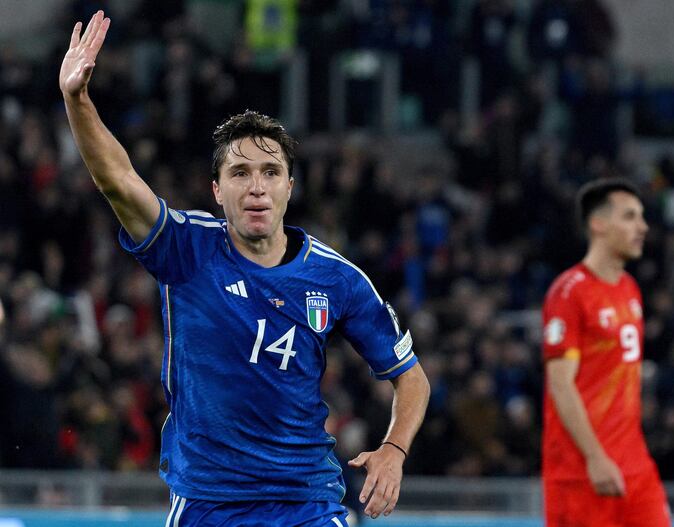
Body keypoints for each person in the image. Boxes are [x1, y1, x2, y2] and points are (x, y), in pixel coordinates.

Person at [59, 11, 430, 526]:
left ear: (289, 187)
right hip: (209, 503)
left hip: (307, 501)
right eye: (239, 172)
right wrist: (77, 101)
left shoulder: (336, 278)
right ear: (217, 190)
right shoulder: (186, 247)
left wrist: (394, 449)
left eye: (271, 172)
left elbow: (411, 379)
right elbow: (118, 179)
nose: (256, 186)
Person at [540, 179, 670, 526]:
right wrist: (595, 457)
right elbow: (561, 385)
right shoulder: (568, 293)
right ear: (598, 224)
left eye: (641, 217)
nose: (642, 227)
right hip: (581, 472)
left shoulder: (630, 289)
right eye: (630, 217)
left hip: (635, 466)